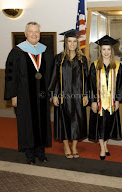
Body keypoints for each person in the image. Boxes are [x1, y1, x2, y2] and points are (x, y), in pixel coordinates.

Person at [4, 22, 53, 164]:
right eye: (31, 31)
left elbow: (51, 74)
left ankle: (40, 152)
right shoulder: (17, 52)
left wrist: (50, 93)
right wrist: (13, 96)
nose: (34, 34)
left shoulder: (46, 51)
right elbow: (10, 76)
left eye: (36, 31)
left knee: (42, 122)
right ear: (25, 34)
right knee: (27, 123)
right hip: (24, 95)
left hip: (42, 96)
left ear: (40, 34)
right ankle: (30, 154)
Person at [49, 29, 88, 159]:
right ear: (66, 43)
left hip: (77, 96)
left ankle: (74, 146)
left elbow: (86, 79)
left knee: (77, 120)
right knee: (63, 120)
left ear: (77, 43)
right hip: (63, 95)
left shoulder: (82, 59)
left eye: (74, 41)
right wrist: (54, 94)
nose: (72, 44)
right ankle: (66, 145)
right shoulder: (59, 58)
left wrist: (86, 94)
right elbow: (54, 77)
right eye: (69, 41)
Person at [89, 35, 122, 160]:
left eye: (108, 49)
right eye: (103, 49)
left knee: (109, 124)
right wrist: (93, 101)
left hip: (111, 102)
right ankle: (103, 148)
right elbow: (91, 85)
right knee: (100, 125)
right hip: (99, 102)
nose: (106, 52)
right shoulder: (94, 66)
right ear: (100, 51)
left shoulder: (118, 66)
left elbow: (121, 85)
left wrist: (118, 100)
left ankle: (105, 144)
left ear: (112, 51)